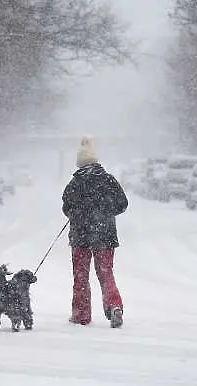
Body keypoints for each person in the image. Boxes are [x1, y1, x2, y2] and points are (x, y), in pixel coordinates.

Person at [62, 136, 128, 328]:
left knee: (81, 276)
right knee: (105, 273)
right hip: (104, 235)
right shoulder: (108, 180)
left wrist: (79, 214)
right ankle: (114, 306)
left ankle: (81, 315)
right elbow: (123, 204)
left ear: (80, 163)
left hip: (80, 236)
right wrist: (104, 213)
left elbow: (67, 208)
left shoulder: (75, 183)